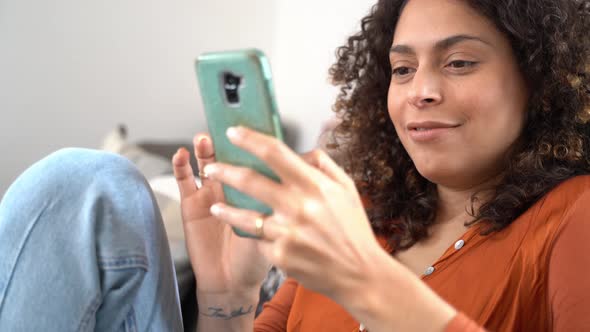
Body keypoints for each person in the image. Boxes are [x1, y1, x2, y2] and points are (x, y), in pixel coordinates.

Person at [0, 0, 588, 331]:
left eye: (459, 62)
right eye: (402, 69)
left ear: (541, 80)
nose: (420, 91)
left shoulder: (572, 217)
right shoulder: (366, 220)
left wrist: (368, 285)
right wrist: (228, 294)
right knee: (86, 184)